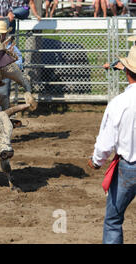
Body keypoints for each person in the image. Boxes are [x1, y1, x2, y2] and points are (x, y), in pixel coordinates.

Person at [88, 46, 136, 244]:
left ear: (126, 70)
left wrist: (96, 161)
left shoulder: (119, 103)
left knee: (113, 220)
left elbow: (106, 142)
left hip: (129, 166)